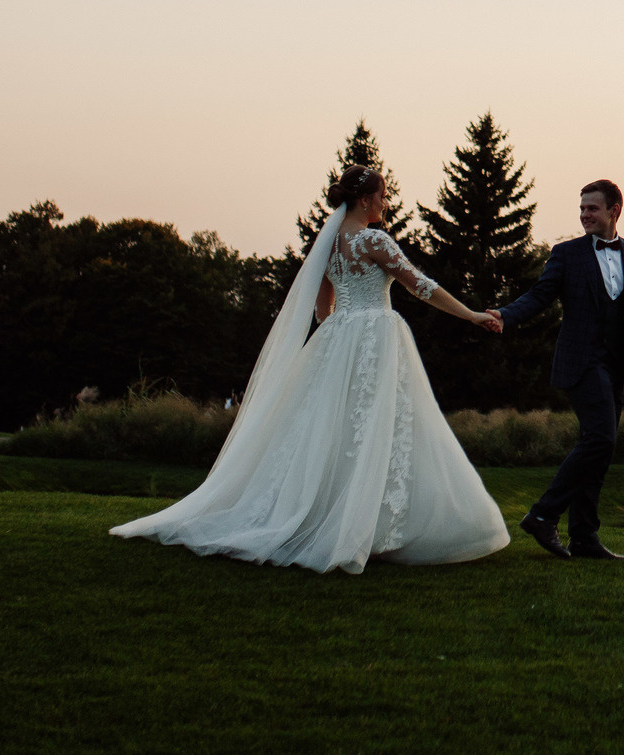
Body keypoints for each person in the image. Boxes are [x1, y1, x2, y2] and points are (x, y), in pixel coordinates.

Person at [109, 166, 509, 572]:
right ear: (367, 200)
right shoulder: (374, 239)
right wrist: (472, 315)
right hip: (374, 334)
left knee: (333, 430)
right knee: (375, 426)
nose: (385, 204)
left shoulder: (329, 245)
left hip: (337, 337)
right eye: (383, 196)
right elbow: (419, 285)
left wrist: (341, 335)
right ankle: (367, 526)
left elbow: (323, 309)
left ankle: (334, 516)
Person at [493, 178, 624, 563]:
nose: (585, 215)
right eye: (582, 208)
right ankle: (542, 514)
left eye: (592, 208)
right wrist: (505, 315)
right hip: (580, 362)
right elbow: (539, 295)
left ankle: (584, 537)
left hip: (618, 364)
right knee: (602, 438)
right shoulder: (567, 254)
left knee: (600, 447)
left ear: (614, 211)